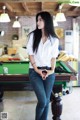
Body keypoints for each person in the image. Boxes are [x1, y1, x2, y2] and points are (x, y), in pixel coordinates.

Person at [27, 11, 59, 120]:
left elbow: (53, 57)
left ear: (47, 21)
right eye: (37, 20)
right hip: (34, 72)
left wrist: (52, 70)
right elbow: (30, 54)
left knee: (46, 101)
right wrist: (36, 69)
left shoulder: (54, 39)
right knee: (43, 101)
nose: (38, 22)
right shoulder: (32, 35)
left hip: (49, 72)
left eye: (40, 20)